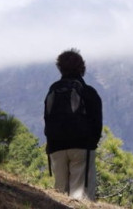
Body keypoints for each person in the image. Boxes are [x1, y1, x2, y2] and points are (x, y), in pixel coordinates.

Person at [44, 49, 103, 201]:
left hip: (56, 147)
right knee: (80, 197)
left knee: (59, 194)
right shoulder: (88, 92)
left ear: (60, 68)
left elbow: (47, 118)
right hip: (81, 147)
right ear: (82, 68)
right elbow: (97, 124)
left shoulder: (53, 90)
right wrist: (91, 143)